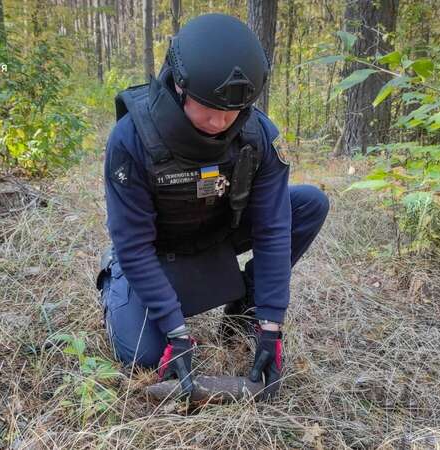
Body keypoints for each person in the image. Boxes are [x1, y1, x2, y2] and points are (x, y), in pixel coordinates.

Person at [96, 13, 329, 399]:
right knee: (141, 356)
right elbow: (134, 244)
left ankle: (244, 304)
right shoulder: (131, 140)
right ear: (180, 85)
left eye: (232, 111)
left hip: (215, 231)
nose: (220, 121)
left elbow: (272, 229)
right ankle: (114, 286)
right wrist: (176, 330)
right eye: (208, 107)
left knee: (308, 204)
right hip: (153, 250)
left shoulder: (260, 137)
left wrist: (271, 325)